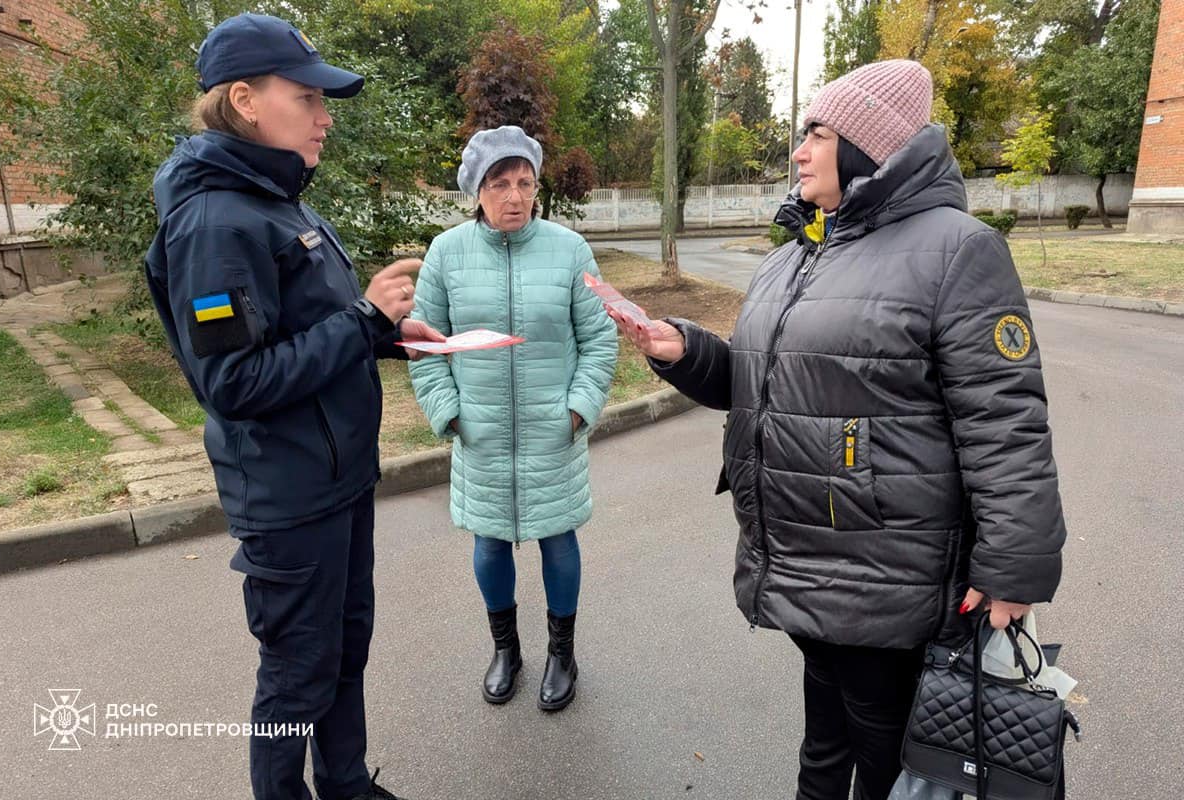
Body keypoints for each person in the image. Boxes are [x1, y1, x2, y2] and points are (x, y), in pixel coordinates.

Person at [609, 60, 1068, 800]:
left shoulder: (959, 250)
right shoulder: (796, 255)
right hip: (802, 561)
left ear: (865, 145)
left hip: (885, 574)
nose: (798, 151)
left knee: (886, 753)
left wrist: (1013, 568)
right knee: (824, 745)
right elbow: (767, 392)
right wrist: (685, 351)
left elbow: (1006, 423)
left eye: (816, 134)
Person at [143, 13, 444, 800]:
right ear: (245, 100)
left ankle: (344, 783)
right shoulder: (215, 220)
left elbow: (308, 332)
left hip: (337, 479)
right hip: (289, 498)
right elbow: (234, 383)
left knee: (344, 650)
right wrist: (363, 319)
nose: (325, 114)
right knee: (296, 677)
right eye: (307, 97)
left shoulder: (278, 200)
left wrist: (389, 336)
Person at [408, 126, 617, 711]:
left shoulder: (569, 249)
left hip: (555, 430)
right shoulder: (446, 254)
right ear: (476, 190)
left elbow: (600, 339)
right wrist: (449, 414)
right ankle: (505, 650)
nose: (514, 196)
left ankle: (561, 652)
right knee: (490, 543)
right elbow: (423, 345)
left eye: (524, 182)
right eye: (499, 183)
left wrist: (579, 410)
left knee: (559, 538)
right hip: (482, 436)